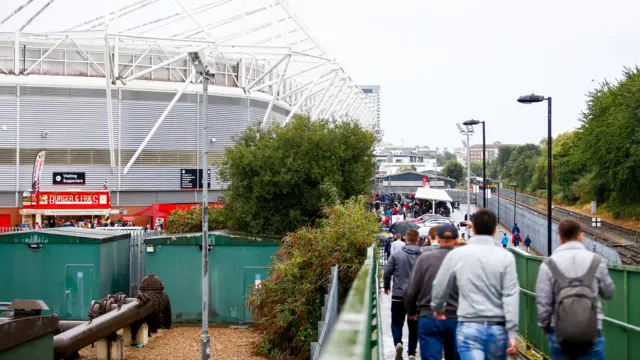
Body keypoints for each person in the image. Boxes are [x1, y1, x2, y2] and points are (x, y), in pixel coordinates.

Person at [432, 209, 519, 360]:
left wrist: (438, 309)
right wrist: (512, 333)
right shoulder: (506, 258)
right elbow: (511, 294)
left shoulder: (457, 255)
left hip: (468, 325)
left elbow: (440, 286)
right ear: (494, 231)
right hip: (497, 328)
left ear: (473, 228)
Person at [535, 220, 614, 360]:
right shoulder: (596, 261)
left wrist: (548, 330)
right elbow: (608, 293)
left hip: (559, 335)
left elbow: (543, 303)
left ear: (560, 237)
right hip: (592, 334)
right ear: (580, 236)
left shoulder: (548, 265)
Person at [405, 224, 460, 360]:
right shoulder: (463, 260)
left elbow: (411, 290)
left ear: (437, 239)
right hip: (457, 317)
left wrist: (412, 311)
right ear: (457, 240)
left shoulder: (424, 258)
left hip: (429, 316)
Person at [384, 229, 422, 360]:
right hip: (417, 297)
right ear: (418, 239)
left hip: (398, 295)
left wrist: (386, 285)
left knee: (396, 323)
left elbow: (387, 272)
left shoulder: (396, 255)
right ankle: (411, 353)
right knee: (414, 326)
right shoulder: (423, 255)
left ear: (406, 239)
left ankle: (398, 343)